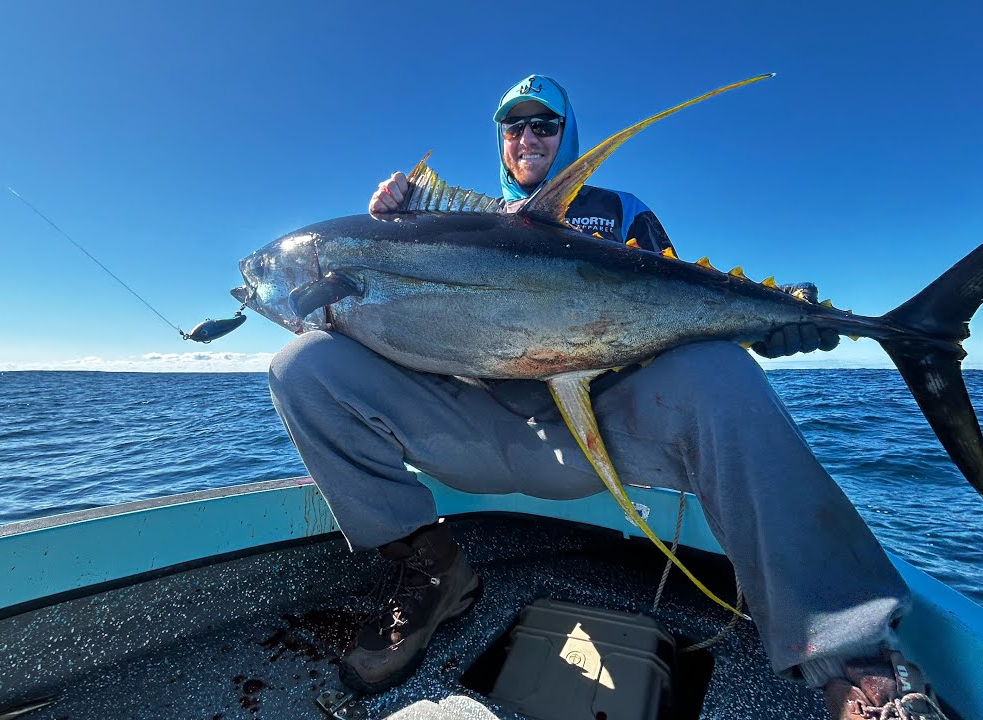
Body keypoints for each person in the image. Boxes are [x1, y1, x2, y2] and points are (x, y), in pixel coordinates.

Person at [268, 74, 946, 720]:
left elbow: (682, 313)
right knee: (301, 365)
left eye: (544, 126)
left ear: (568, 135)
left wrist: (773, 325)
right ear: (500, 140)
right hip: (479, 429)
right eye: (513, 128)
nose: (527, 139)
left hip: (603, 432)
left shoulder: (622, 213)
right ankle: (433, 572)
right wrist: (385, 235)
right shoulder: (431, 226)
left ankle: (855, 663)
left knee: (720, 370)